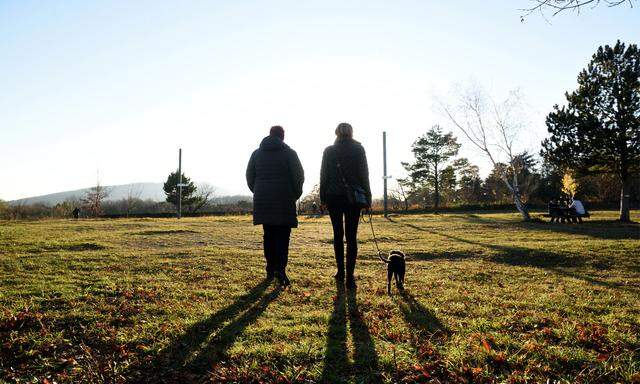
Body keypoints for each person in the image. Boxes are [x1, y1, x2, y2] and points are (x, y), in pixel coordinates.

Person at [246, 126, 304, 286]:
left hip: (263, 199)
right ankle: (280, 269)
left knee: (268, 235)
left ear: (269, 135)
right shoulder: (290, 153)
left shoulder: (256, 154)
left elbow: (250, 177)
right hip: (284, 199)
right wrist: (294, 195)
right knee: (283, 236)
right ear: (282, 136)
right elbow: (299, 177)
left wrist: (258, 190)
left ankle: (270, 268)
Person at [320, 122, 371, 289]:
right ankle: (350, 276)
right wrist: (368, 197)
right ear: (351, 133)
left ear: (336, 133)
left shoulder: (329, 151)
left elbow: (324, 175)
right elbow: (364, 174)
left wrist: (323, 198)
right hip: (353, 199)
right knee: (351, 237)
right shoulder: (358, 149)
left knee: (337, 235)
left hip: (333, 196)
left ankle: (340, 271)